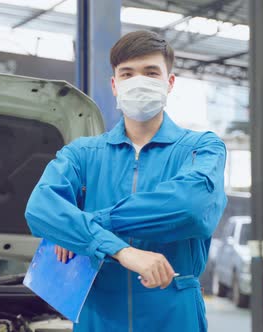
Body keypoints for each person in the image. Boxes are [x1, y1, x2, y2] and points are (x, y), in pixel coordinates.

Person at [24, 30, 227, 332]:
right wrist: (123, 252)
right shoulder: (82, 154)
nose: (138, 81)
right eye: (128, 74)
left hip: (173, 314)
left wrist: (86, 223)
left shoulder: (201, 148)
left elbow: (190, 208)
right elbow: (40, 209)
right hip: (98, 315)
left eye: (151, 72)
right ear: (115, 84)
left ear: (169, 83)